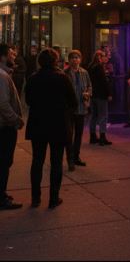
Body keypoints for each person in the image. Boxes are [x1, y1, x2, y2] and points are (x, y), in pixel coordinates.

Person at [25, 47, 77, 209]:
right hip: (58, 125)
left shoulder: (33, 78)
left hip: (38, 124)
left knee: (37, 161)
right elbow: (73, 102)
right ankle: (53, 198)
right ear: (55, 61)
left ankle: (36, 198)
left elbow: (28, 100)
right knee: (56, 162)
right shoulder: (62, 78)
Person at [0, 43, 24, 210]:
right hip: (4, 127)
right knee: (3, 162)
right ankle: (1, 198)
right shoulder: (2, 76)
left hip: (5, 126)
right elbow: (3, 103)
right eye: (11, 53)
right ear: (2, 56)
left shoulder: (5, 74)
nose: (14, 56)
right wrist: (16, 119)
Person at [65, 50, 91, 169]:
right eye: (73, 58)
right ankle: (70, 159)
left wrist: (88, 94)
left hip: (81, 108)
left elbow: (89, 86)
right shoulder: (65, 73)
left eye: (77, 57)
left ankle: (76, 157)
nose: (75, 60)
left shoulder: (84, 73)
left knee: (79, 134)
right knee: (69, 135)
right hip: (69, 109)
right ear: (69, 60)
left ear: (80, 59)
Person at [88, 49, 113, 146]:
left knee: (93, 116)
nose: (106, 58)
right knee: (103, 116)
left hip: (93, 95)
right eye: (104, 56)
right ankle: (102, 137)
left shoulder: (90, 67)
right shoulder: (99, 67)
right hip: (101, 95)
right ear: (99, 57)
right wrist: (109, 94)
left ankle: (92, 136)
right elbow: (104, 82)